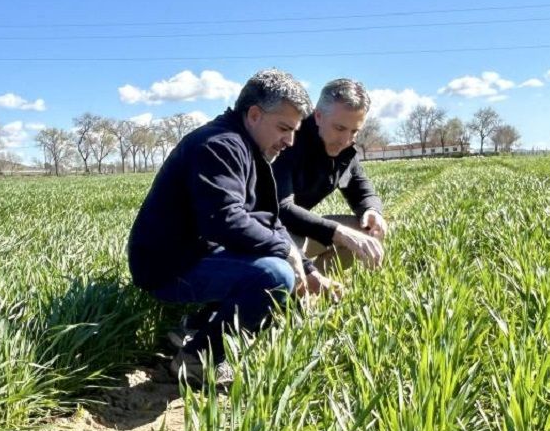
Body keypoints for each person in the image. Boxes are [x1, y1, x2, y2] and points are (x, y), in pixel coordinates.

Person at [127, 68, 314, 386]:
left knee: (279, 263)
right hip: (167, 267)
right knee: (274, 275)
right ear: (254, 114)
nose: (290, 141)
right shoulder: (219, 145)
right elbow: (224, 221)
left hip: (196, 254)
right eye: (284, 128)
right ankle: (197, 359)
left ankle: (194, 329)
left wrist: (306, 266)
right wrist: (285, 254)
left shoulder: (249, 148)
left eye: (294, 130)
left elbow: (267, 219)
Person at [273, 78, 388, 283]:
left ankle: (318, 283)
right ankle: (296, 286)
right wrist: (338, 232)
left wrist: (372, 211)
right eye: (340, 128)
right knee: (286, 267)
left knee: (367, 231)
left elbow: (363, 191)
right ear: (318, 116)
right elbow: (281, 207)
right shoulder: (289, 141)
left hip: (302, 230)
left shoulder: (346, 151)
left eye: (354, 131)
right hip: (270, 233)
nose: (346, 140)